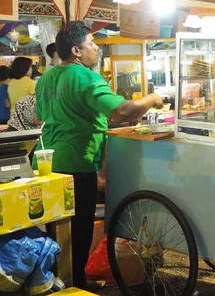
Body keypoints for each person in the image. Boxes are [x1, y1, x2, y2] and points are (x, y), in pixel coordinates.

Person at [34, 21, 163, 290]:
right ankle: (76, 284)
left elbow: (40, 116)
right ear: (76, 51)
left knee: (55, 229)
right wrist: (152, 99)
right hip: (75, 163)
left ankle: (53, 281)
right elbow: (123, 112)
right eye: (91, 44)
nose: (95, 49)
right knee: (78, 229)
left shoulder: (46, 78)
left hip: (45, 163)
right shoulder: (85, 77)